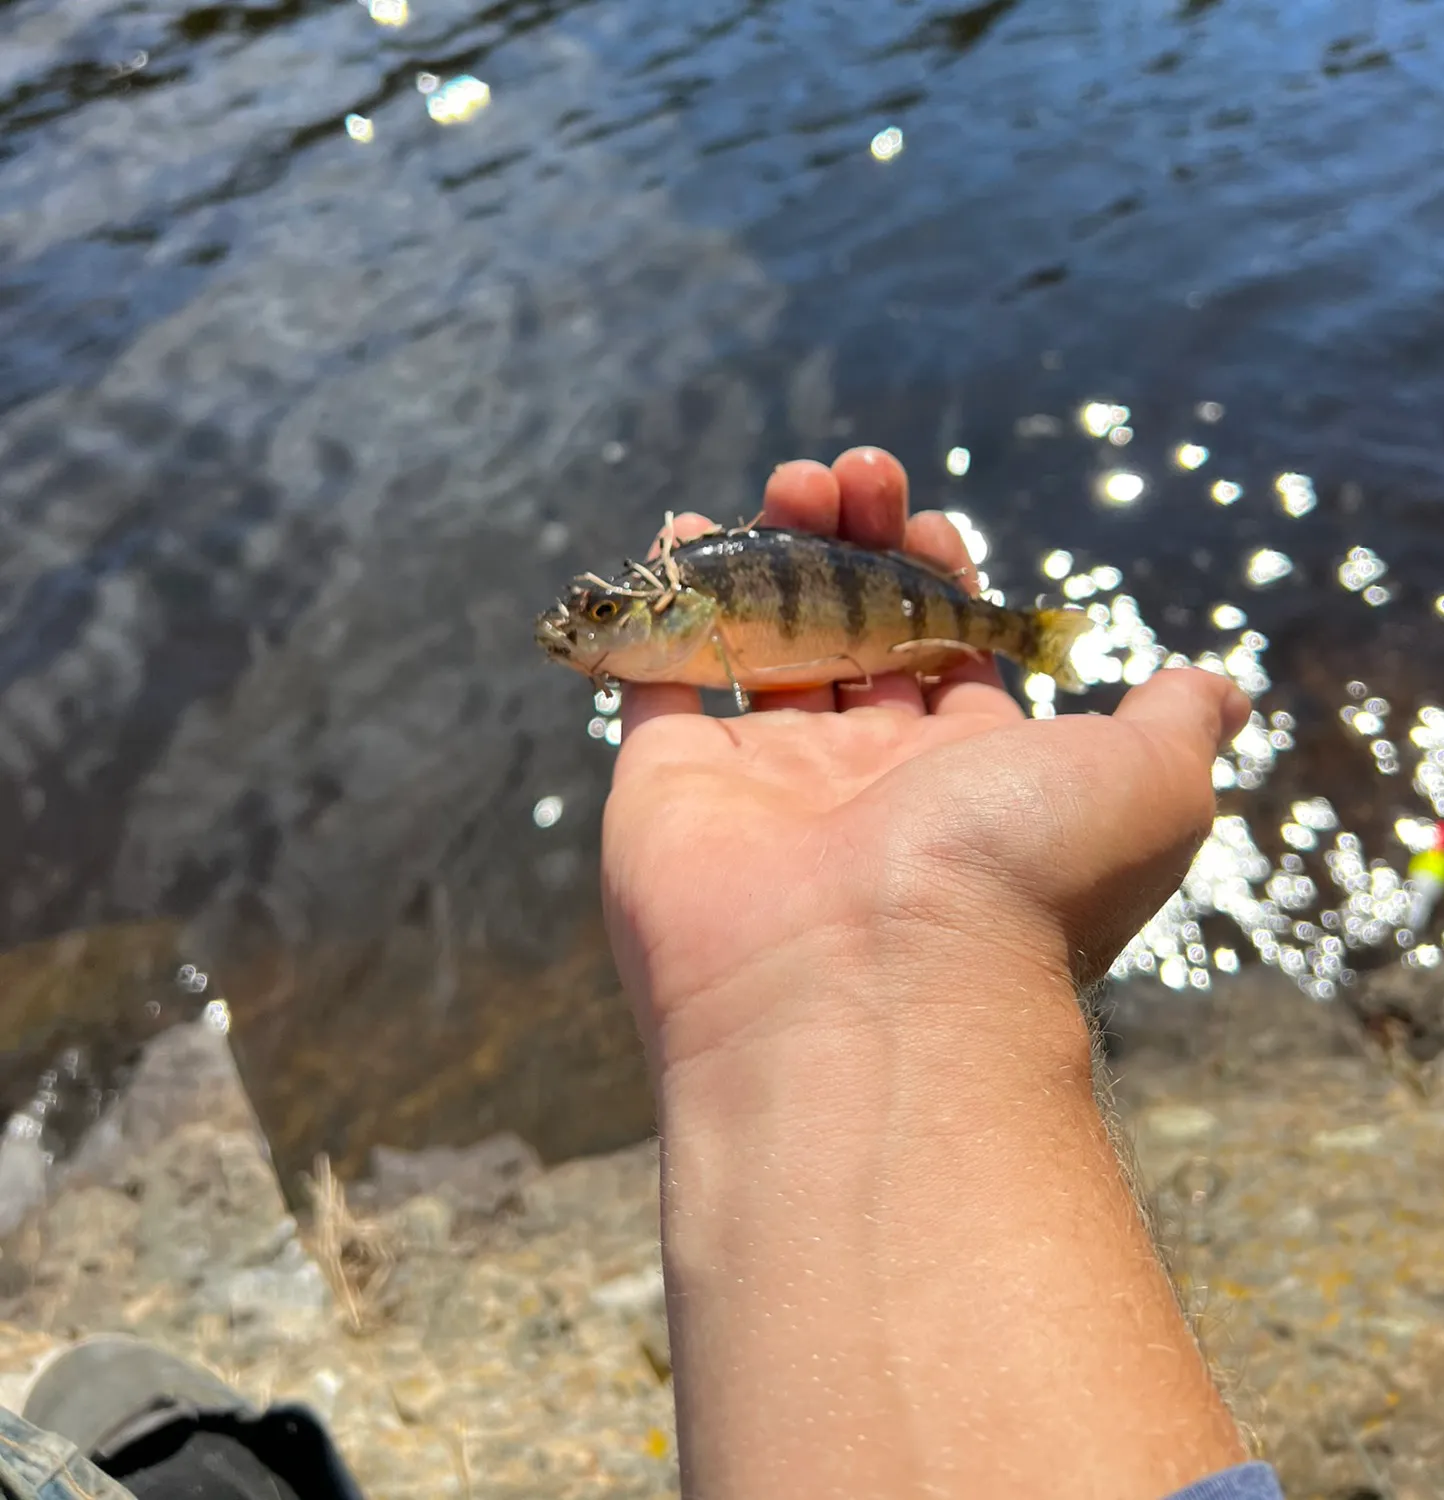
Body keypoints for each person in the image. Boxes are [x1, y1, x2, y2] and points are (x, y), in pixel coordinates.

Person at [4, 444, 1286, 1499]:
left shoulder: (715, 612)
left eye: (609, 616)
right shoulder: (683, 630)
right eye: (597, 617)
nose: (586, 631)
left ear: (678, 614)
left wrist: (929, 944)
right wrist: (928, 974)